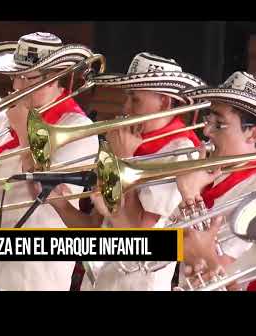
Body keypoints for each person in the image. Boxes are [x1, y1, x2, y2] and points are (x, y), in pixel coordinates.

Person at [47, 52, 208, 291]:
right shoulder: (132, 141)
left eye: (135, 100)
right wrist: (60, 204)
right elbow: (95, 227)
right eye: (127, 98)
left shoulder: (181, 151)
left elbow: (140, 235)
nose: (125, 107)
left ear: (164, 103)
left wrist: (123, 160)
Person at [0, 32, 99, 291]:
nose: (18, 86)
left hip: (36, 274)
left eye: (29, 78)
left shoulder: (77, 128)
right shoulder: (1, 119)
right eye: (15, 76)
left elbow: (41, 191)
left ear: (55, 79)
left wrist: (24, 134)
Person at [175, 71, 256, 291]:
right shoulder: (212, 175)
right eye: (208, 120)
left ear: (253, 135)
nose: (207, 131)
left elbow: (210, 265)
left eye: (219, 124)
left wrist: (190, 196)